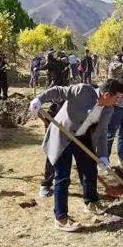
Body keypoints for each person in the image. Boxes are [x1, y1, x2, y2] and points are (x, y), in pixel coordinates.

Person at [28, 79, 123, 231]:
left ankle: (91, 201)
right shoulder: (82, 91)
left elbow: (102, 133)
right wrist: (39, 99)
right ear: (106, 94)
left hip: (83, 137)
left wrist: (103, 155)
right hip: (63, 134)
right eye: (117, 97)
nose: (118, 101)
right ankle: (61, 219)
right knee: (62, 176)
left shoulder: (108, 109)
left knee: (90, 170)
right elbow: (58, 91)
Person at [36, 50, 71, 197]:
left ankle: (57, 181)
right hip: (56, 110)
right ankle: (46, 184)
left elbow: (43, 68)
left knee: (65, 150)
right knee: (53, 148)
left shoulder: (54, 65)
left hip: (63, 110)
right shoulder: (62, 64)